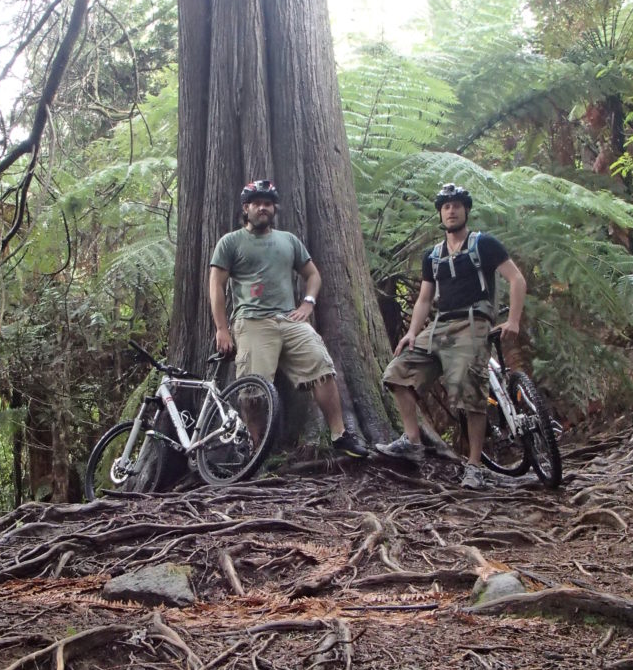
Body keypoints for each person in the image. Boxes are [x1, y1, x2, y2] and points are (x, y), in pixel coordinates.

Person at [376, 182, 527, 489]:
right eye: (446, 206)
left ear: (466, 210)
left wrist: (513, 320)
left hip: (474, 323)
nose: (451, 210)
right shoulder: (433, 256)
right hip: (440, 325)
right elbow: (423, 299)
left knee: (468, 389)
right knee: (397, 372)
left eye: (457, 205)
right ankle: (413, 440)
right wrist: (412, 333)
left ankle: (474, 465)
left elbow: (516, 279)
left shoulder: (484, 244)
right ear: (440, 214)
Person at [209, 179, 368, 458]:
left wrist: (308, 303)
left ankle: (340, 435)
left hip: (289, 320)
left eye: (268, 203)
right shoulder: (231, 242)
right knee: (253, 388)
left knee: (322, 366)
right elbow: (216, 286)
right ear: (246, 208)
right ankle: (256, 451)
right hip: (252, 321)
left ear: (274, 208)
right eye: (256, 203)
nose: (262, 208)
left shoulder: (289, 240)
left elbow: (313, 275)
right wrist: (222, 328)